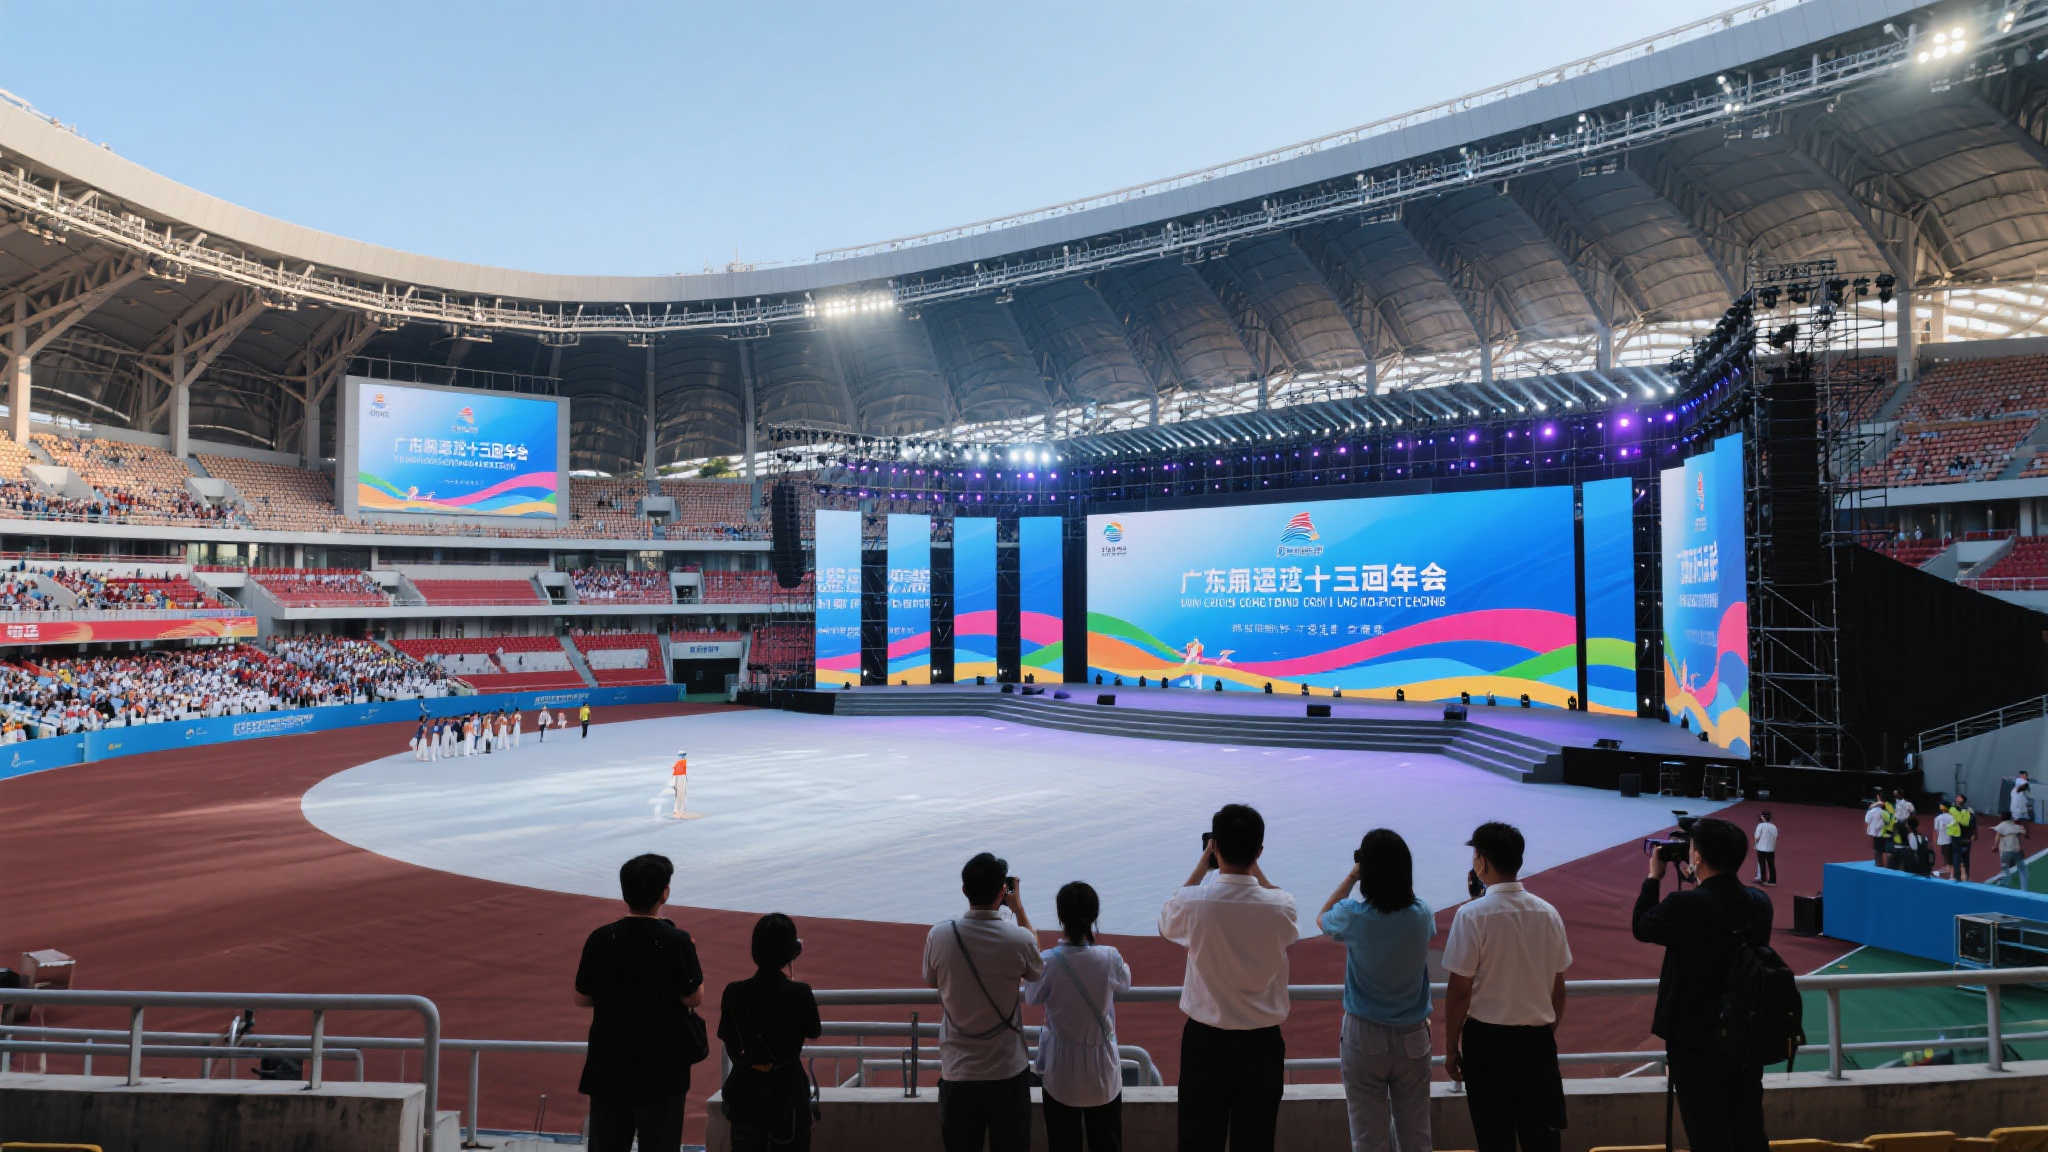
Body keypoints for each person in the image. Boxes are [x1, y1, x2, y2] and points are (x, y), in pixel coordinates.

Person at [1159, 804, 1298, 1152]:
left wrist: (1202, 865)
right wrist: (1253, 867)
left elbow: (1167, 921)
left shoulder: (1194, 902)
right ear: (1259, 852)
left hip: (1205, 1044)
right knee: (1256, 1141)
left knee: (1197, 1141)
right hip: (1262, 1045)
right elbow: (1280, 903)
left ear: (1215, 846)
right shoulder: (1281, 905)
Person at [1631, 817, 1773, 1152]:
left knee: (1706, 1132)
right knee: (1747, 1128)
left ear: (1696, 857)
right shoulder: (1759, 903)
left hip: (1694, 1038)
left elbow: (1642, 926)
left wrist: (1654, 878)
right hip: (1745, 1032)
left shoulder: (1685, 905)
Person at [1442, 822, 1570, 1152]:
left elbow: (1459, 991)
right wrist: (1545, 1032)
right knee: (1542, 1140)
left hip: (1487, 1044)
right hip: (1537, 1042)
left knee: (1494, 1139)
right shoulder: (1548, 913)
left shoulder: (1471, 916)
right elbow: (1558, 987)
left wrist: (1451, 1047)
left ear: (1483, 862)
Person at [574, 853, 704, 1152]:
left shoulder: (601, 938)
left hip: (609, 1063)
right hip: (663, 1067)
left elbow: (582, 996)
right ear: (664, 893)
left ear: (625, 892)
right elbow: (693, 996)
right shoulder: (677, 941)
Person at [1316, 829, 1433, 1152]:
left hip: (1363, 1035)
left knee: (1368, 1137)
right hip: (1413, 1035)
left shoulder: (1353, 917)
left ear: (1366, 871)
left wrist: (1352, 875)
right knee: (1417, 1135)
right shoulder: (1422, 915)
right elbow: (1407, 902)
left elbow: (1322, 918)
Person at [923, 852, 1044, 1152]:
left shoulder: (939, 936)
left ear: (964, 890)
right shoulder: (1019, 939)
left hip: (958, 1072)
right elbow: (1036, 971)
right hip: (1008, 1071)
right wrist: (1018, 909)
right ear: (1003, 891)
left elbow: (931, 979)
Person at [1023, 881, 1132, 1152]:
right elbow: (1125, 983)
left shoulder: (1048, 961)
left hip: (1061, 1072)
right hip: (1103, 1071)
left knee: (1063, 1142)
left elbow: (1032, 996)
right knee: (1106, 1143)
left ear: (1060, 917)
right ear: (1094, 916)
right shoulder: (1110, 958)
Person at [718, 913, 821, 1152]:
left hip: (746, 1090)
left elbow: (729, 1039)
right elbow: (814, 1030)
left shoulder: (733, 992)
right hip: (788, 1091)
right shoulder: (800, 993)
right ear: (790, 953)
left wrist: (747, 1064)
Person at [1994, 814, 2029, 888]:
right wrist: (2024, 834)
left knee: (2005, 871)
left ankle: (2002, 882)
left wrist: (1994, 847)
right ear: (2011, 818)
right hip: (2017, 852)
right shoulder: (2015, 826)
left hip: (2005, 853)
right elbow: (2025, 833)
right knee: (2022, 870)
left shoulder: (2000, 826)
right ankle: (2024, 889)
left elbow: (1997, 836)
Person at [1950, 795, 1977, 882]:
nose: (1956, 800)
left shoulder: (1953, 810)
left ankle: (1957, 877)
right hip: (1966, 837)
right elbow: (1974, 823)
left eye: (1958, 799)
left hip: (1958, 837)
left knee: (1956, 856)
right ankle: (1966, 876)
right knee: (1965, 857)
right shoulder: (1969, 810)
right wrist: (1974, 834)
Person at [1864, 795, 1892, 867]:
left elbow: (1867, 820)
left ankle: (1878, 864)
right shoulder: (1887, 812)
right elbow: (1889, 822)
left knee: (1877, 849)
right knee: (1887, 850)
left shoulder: (1871, 811)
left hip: (1877, 834)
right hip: (1886, 833)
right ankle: (1888, 866)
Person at [1752, 812, 1778, 886]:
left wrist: (1755, 844)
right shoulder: (1774, 826)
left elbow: (1757, 837)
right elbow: (1775, 837)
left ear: (1763, 817)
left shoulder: (1760, 825)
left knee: (1762, 864)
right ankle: (1773, 881)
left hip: (1761, 848)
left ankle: (1763, 880)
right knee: (1771, 865)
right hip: (1771, 849)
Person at [1935, 804, 1957, 880]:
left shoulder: (1938, 818)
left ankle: (1951, 873)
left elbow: (1936, 830)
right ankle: (1949, 870)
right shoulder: (1953, 817)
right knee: (1950, 856)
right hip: (1951, 840)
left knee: (1946, 855)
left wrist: (1939, 838)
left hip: (1943, 840)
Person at [672, 750, 690, 819]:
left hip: (679, 778)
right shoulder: (681, 762)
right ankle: (679, 810)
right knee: (680, 794)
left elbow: (675, 772)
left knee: (679, 795)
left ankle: (678, 810)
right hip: (680, 778)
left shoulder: (680, 763)